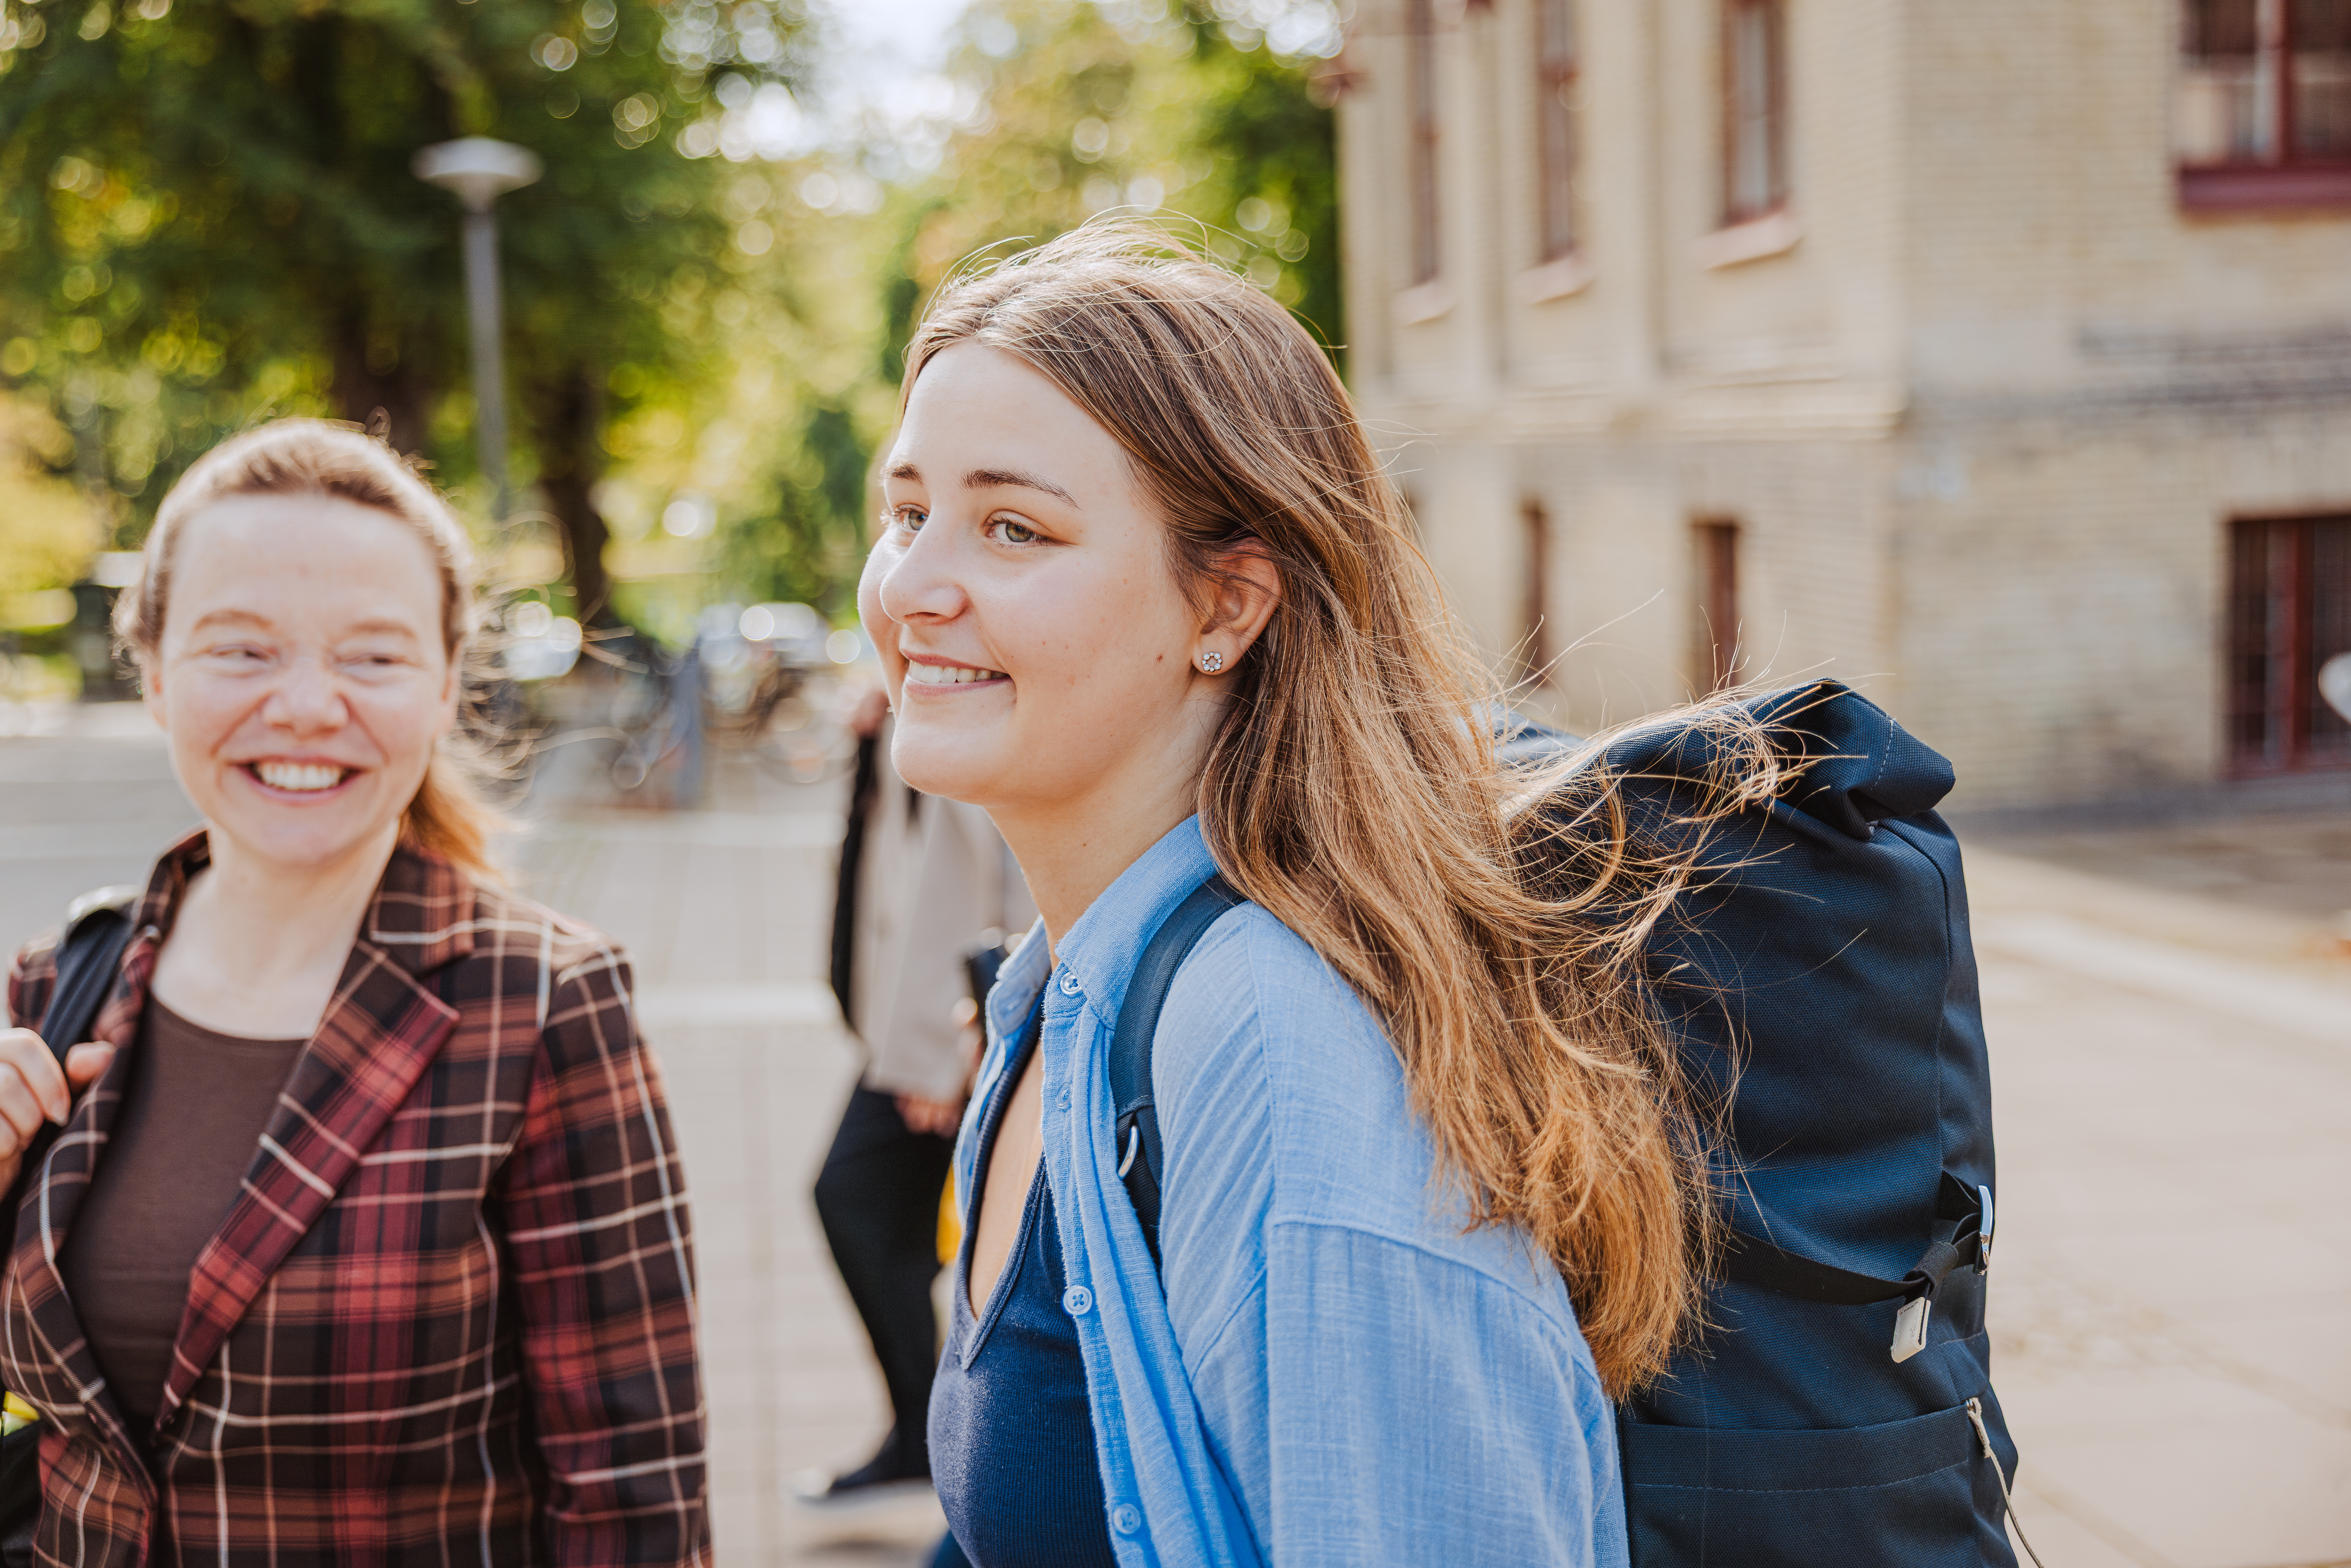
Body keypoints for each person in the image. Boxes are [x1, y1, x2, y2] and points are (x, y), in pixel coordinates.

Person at [862, 225, 1721, 1568]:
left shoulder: (1276, 1051)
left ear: (1228, 603)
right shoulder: (1068, 986)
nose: (912, 585)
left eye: (1012, 526)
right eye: (908, 512)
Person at [0, 421, 709, 1565]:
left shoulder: (540, 1007)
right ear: (155, 670)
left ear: (442, 689)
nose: (308, 705)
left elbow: (633, 1501)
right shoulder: (58, 984)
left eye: (372, 656)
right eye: (241, 650)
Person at [797, 687, 1032, 1509]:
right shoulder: (907, 686)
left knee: (862, 1201)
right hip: (920, 1025)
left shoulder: (964, 684)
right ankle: (930, 1437)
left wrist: (941, 1047)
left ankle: (945, 1442)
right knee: (897, 1218)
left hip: (947, 1033)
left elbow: (983, 869)